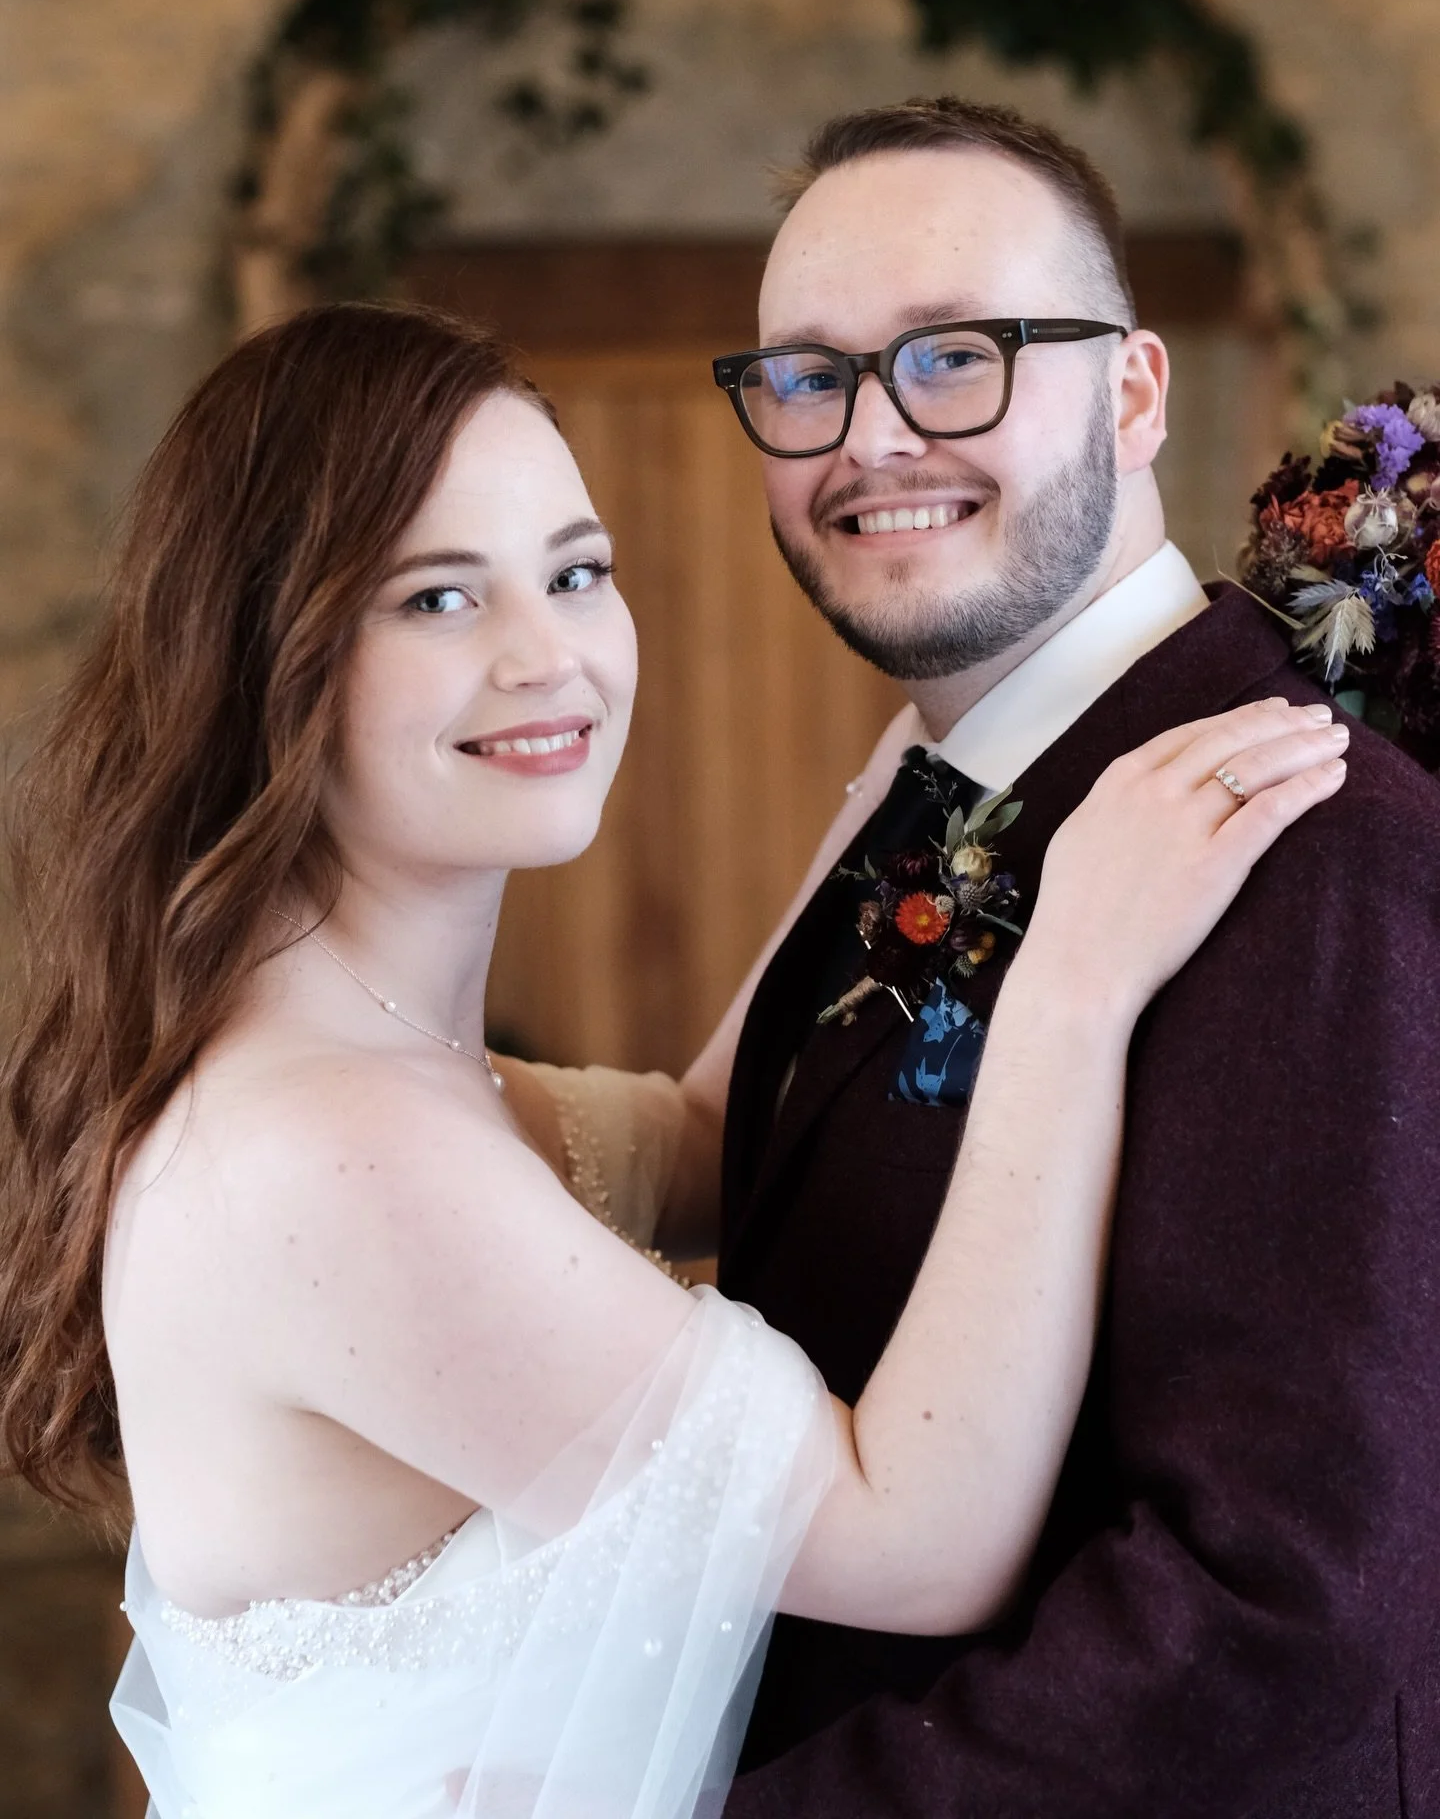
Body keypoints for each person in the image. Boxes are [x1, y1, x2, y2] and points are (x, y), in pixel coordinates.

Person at [0, 303, 1339, 1819]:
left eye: (576, 574)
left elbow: (706, 1137)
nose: (549, 657)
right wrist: (1073, 985)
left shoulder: (381, 1061)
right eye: (439, 602)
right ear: (264, 654)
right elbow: (917, 1541)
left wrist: (937, 772)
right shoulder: (326, 1149)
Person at [678, 99, 1440, 1816]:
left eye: (959, 355)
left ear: (1136, 389)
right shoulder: (939, 798)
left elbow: (1283, 1613)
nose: (872, 437)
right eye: (806, 377)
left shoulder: (1312, 842)